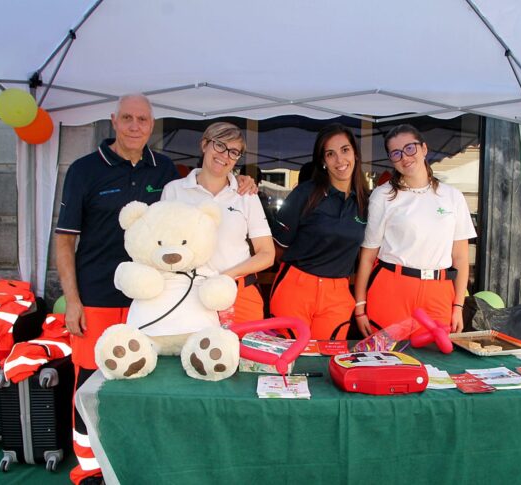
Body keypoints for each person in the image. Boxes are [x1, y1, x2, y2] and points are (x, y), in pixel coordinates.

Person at [56, 96, 255, 485]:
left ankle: (132, 464)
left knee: (145, 385)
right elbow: (64, 241)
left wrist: (239, 178)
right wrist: (73, 301)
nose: (134, 125)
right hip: (97, 297)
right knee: (90, 383)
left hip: (155, 302)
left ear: (152, 124)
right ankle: (89, 470)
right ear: (114, 121)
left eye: (142, 119)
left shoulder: (164, 170)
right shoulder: (84, 169)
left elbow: (200, 192)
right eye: (127, 118)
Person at [353, 124, 476, 339]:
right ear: (391, 159)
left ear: (424, 149)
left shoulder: (452, 196)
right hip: (391, 288)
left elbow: (461, 258)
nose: (405, 157)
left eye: (410, 148)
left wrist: (458, 306)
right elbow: (367, 256)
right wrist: (360, 306)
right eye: (396, 153)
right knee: (387, 362)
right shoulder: (383, 196)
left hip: (438, 291)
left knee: (435, 362)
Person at [162, 122, 275, 323]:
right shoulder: (174, 190)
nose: (225, 155)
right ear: (204, 144)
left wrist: (227, 276)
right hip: (188, 293)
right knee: (192, 353)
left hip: (238, 294)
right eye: (220, 145)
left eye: (234, 152)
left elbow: (267, 254)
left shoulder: (246, 195)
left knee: (242, 354)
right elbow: (162, 246)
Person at [270, 123, 369, 340]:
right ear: (323, 161)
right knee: (289, 362)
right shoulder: (305, 194)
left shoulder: (366, 202)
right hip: (295, 289)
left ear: (355, 153)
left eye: (345, 150)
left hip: (338, 293)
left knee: (326, 362)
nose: (340, 160)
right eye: (330, 154)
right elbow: (276, 249)